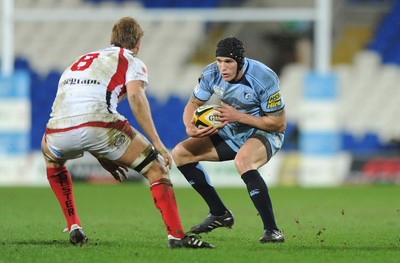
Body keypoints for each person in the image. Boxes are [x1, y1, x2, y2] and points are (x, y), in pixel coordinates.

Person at [41, 17, 213, 249]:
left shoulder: (80, 60)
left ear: (112, 39)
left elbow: (77, 111)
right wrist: (157, 142)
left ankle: (73, 225)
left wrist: (103, 155)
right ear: (138, 43)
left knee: (53, 160)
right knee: (156, 169)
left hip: (58, 130)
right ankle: (177, 236)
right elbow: (135, 97)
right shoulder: (131, 61)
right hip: (100, 124)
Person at [171, 37, 286, 243]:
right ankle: (219, 213)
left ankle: (272, 230)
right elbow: (193, 103)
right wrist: (189, 126)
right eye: (219, 61)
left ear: (240, 61)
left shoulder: (263, 77)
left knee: (243, 161)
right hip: (231, 131)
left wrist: (239, 116)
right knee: (180, 154)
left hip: (264, 133)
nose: (222, 67)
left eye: (228, 62)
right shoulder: (211, 73)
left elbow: (278, 124)